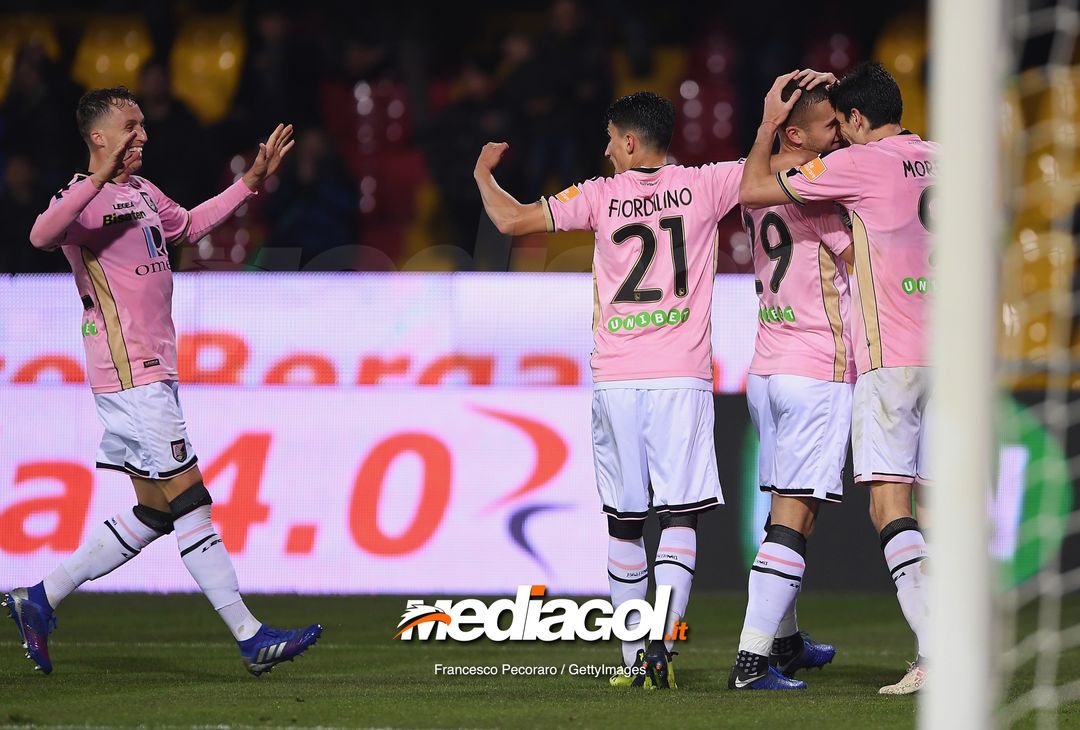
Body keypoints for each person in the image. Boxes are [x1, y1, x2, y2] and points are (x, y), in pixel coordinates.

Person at [3, 87, 322, 676]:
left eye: (143, 125)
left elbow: (189, 224)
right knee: (190, 499)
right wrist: (94, 177)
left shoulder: (142, 192)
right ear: (99, 137)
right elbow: (40, 237)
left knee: (153, 510)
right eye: (131, 126)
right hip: (131, 374)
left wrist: (249, 181)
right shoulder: (85, 197)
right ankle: (251, 638)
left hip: (151, 368)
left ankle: (40, 598)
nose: (143, 135)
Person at [475, 91, 750, 690]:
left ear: (630, 141)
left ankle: (632, 661)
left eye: (609, 139)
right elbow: (772, 172)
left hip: (619, 378)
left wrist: (480, 173)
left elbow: (510, 220)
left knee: (625, 521)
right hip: (681, 375)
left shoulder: (597, 196)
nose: (604, 150)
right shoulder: (708, 184)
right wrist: (777, 122)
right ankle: (661, 646)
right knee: (681, 515)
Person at [740, 62, 936, 695]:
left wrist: (773, 124)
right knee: (941, 508)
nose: (840, 137)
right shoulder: (945, 157)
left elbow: (754, 190)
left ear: (855, 119)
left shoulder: (852, 167)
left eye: (841, 126)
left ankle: (936, 652)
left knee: (887, 505)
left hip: (884, 358)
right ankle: (787, 642)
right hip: (956, 352)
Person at [728, 75, 853, 691]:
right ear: (798, 132)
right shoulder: (822, 193)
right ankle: (753, 662)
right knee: (794, 519)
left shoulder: (762, 181)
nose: (843, 134)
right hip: (817, 367)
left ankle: (785, 642)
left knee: (787, 511)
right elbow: (863, 262)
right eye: (832, 125)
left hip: (768, 370)